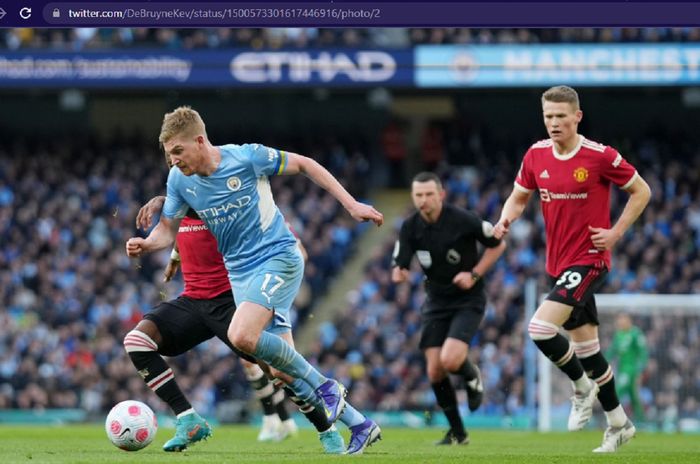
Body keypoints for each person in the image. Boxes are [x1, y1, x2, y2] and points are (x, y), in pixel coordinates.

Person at [126, 106, 383, 454]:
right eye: (168, 154)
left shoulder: (246, 158)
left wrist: (351, 204)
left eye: (177, 151)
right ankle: (359, 425)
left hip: (277, 256)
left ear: (200, 141)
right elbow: (166, 230)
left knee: (242, 335)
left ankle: (327, 387)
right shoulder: (179, 181)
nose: (172, 160)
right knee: (282, 372)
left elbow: (305, 164)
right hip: (241, 274)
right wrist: (147, 244)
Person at [493, 85, 651, 453]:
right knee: (589, 351)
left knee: (539, 327)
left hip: (590, 260)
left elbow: (641, 191)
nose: (554, 123)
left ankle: (581, 387)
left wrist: (615, 233)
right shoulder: (535, 155)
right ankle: (619, 424)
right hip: (558, 265)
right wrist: (504, 220)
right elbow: (518, 197)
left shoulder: (600, 156)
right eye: (548, 116)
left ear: (577, 117)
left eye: (561, 116)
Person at [391, 172, 506, 445]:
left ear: (441, 194)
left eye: (429, 194)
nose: (424, 200)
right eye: (418, 195)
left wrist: (474, 274)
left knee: (451, 360)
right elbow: (401, 261)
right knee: (434, 371)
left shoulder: (463, 219)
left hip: (468, 298)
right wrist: (399, 272)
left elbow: (498, 245)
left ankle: (471, 374)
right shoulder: (410, 227)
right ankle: (458, 432)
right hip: (436, 301)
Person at [606, 313, 648, 422]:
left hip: (631, 370)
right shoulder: (618, 335)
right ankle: (642, 421)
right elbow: (612, 351)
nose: (619, 322)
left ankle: (612, 420)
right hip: (622, 369)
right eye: (618, 320)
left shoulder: (636, 333)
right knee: (634, 397)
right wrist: (603, 362)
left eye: (622, 319)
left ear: (628, 320)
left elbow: (643, 353)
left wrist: (640, 370)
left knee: (617, 392)